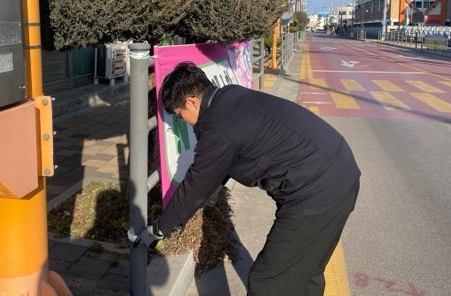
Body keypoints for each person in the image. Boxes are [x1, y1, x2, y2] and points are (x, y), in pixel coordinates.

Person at [136, 62, 361, 296]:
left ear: (192, 101)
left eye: (180, 115)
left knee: (267, 281)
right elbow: (224, 162)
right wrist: (210, 195)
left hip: (316, 192)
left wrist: (159, 229)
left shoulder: (217, 127)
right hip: (342, 168)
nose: (184, 122)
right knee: (307, 271)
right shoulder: (230, 95)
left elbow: (196, 185)